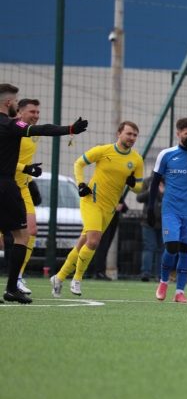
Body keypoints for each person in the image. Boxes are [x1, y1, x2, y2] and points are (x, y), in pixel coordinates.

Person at [0, 83, 88, 304]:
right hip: (5, 185)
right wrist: (70, 128)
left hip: (13, 184)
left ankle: (15, 284)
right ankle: (12, 288)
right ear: (9, 103)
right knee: (22, 236)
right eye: (16, 100)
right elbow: (42, 129)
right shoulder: (11, 124)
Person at [50, 121, 143, 296]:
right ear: (119, 134)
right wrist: (81, 184)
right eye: (129, 134)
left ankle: (59, 277)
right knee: (93, 241)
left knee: (82, 243)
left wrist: (132, 184)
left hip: (110, 208)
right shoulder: (103, 150)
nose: (132, 138)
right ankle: (77, 279)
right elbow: (79, 163)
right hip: (91, 201)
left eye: (135, 135)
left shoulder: (136, 160)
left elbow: (138, 188)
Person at [148, 118, 187, 303]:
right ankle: (164, 281)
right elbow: (155, 182)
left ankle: (179, 292)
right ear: (178, 134)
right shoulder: (166, 154)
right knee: (172, 247)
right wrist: (150, 208)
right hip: (171, 209)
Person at [13, 98, 42, 295]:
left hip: (22, 187)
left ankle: (18, 277)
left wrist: (29, 178)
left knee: (32, 230)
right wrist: (26, 168)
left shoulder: (33, 133)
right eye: (32, 112)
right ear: (20, 112)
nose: (36, 115)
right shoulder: (11, 130)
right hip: (5, 186)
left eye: (37, 112)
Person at [91, 198, 128, 280]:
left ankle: (101, 271)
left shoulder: (117, 193)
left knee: (106, 247)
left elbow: (124, 206)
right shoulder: (104, 193)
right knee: (102, 246)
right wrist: (113, 208)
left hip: (113, 221)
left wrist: (121, 206)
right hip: (104, 221)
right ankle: (98, 272)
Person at [137, 175, 164, 282]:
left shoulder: (170, 181)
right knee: (148, 247)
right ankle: (145, 273)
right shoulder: (147, 181)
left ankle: (160, 275)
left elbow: (173, 201)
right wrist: (150, 191)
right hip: (148, 221)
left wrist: (163, 192)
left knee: (162, 249)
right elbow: (139, 198)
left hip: (164, 222)